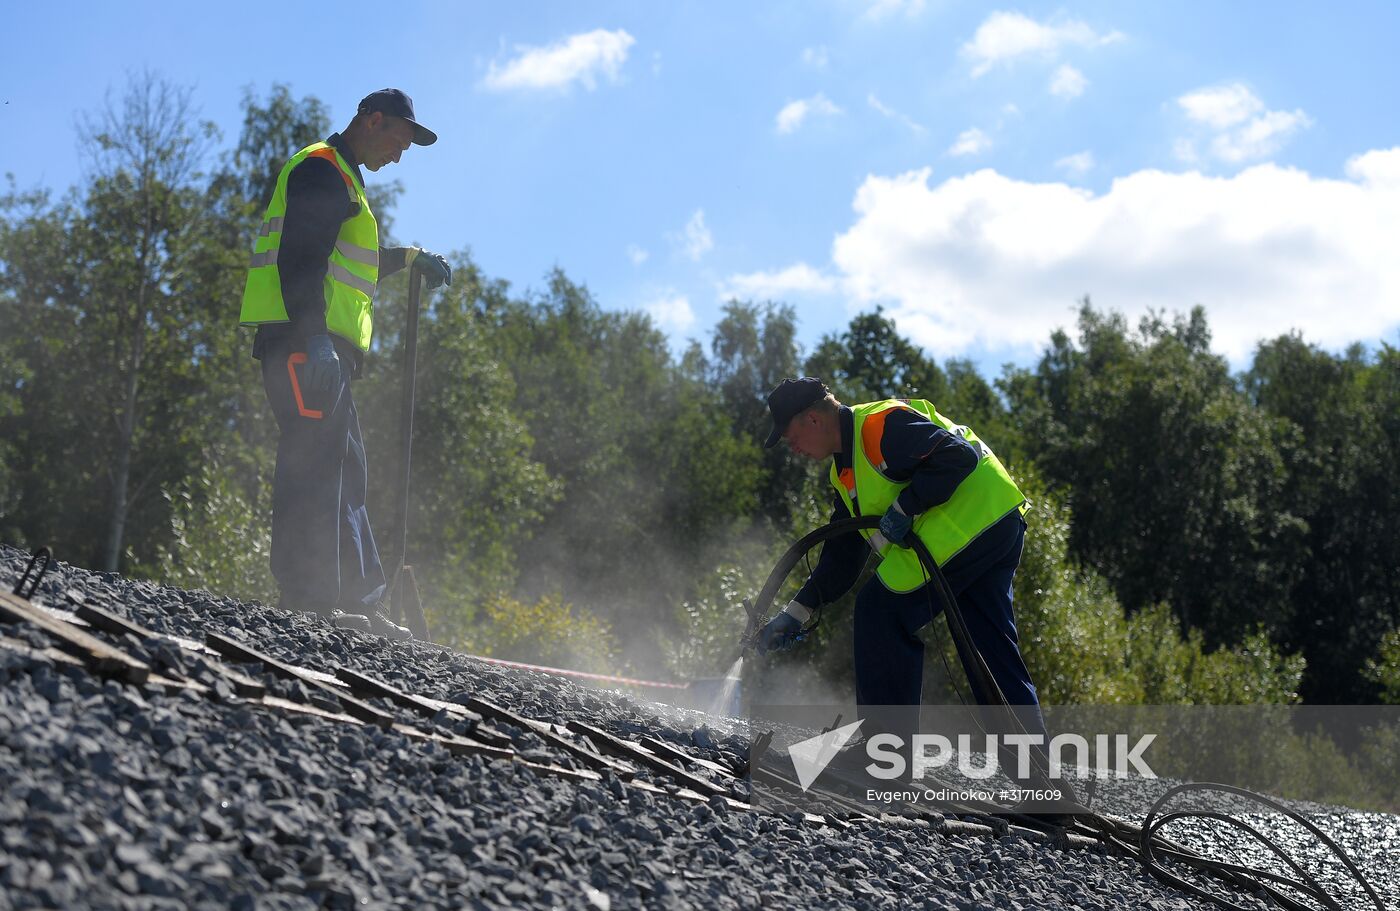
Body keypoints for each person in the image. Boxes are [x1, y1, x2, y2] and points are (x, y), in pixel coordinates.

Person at [239, 88, 452, 638]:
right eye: (398, 141)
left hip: (323, 353)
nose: (400, 155)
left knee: (346, 470)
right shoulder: (320, 168)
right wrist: (316, 340)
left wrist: (406, 260)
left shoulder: (346, 181)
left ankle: (357, 600)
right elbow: (300, 260)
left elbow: (346, 264)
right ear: (371, 120)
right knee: (314, 465)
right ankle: (308, 597)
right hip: (304, 346)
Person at [756, 377, 1046, 743]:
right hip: (997, 521)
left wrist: (906, 506)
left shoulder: (879, 427)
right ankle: (1041, 784)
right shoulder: (843, 473)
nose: (792, 448)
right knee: (990, 656)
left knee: (879, 611)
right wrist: (798, 611)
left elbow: (958, 456)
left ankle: (884, 751)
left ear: (812, 419)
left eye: (790, 436)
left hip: (964, 530)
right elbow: (844, 554)